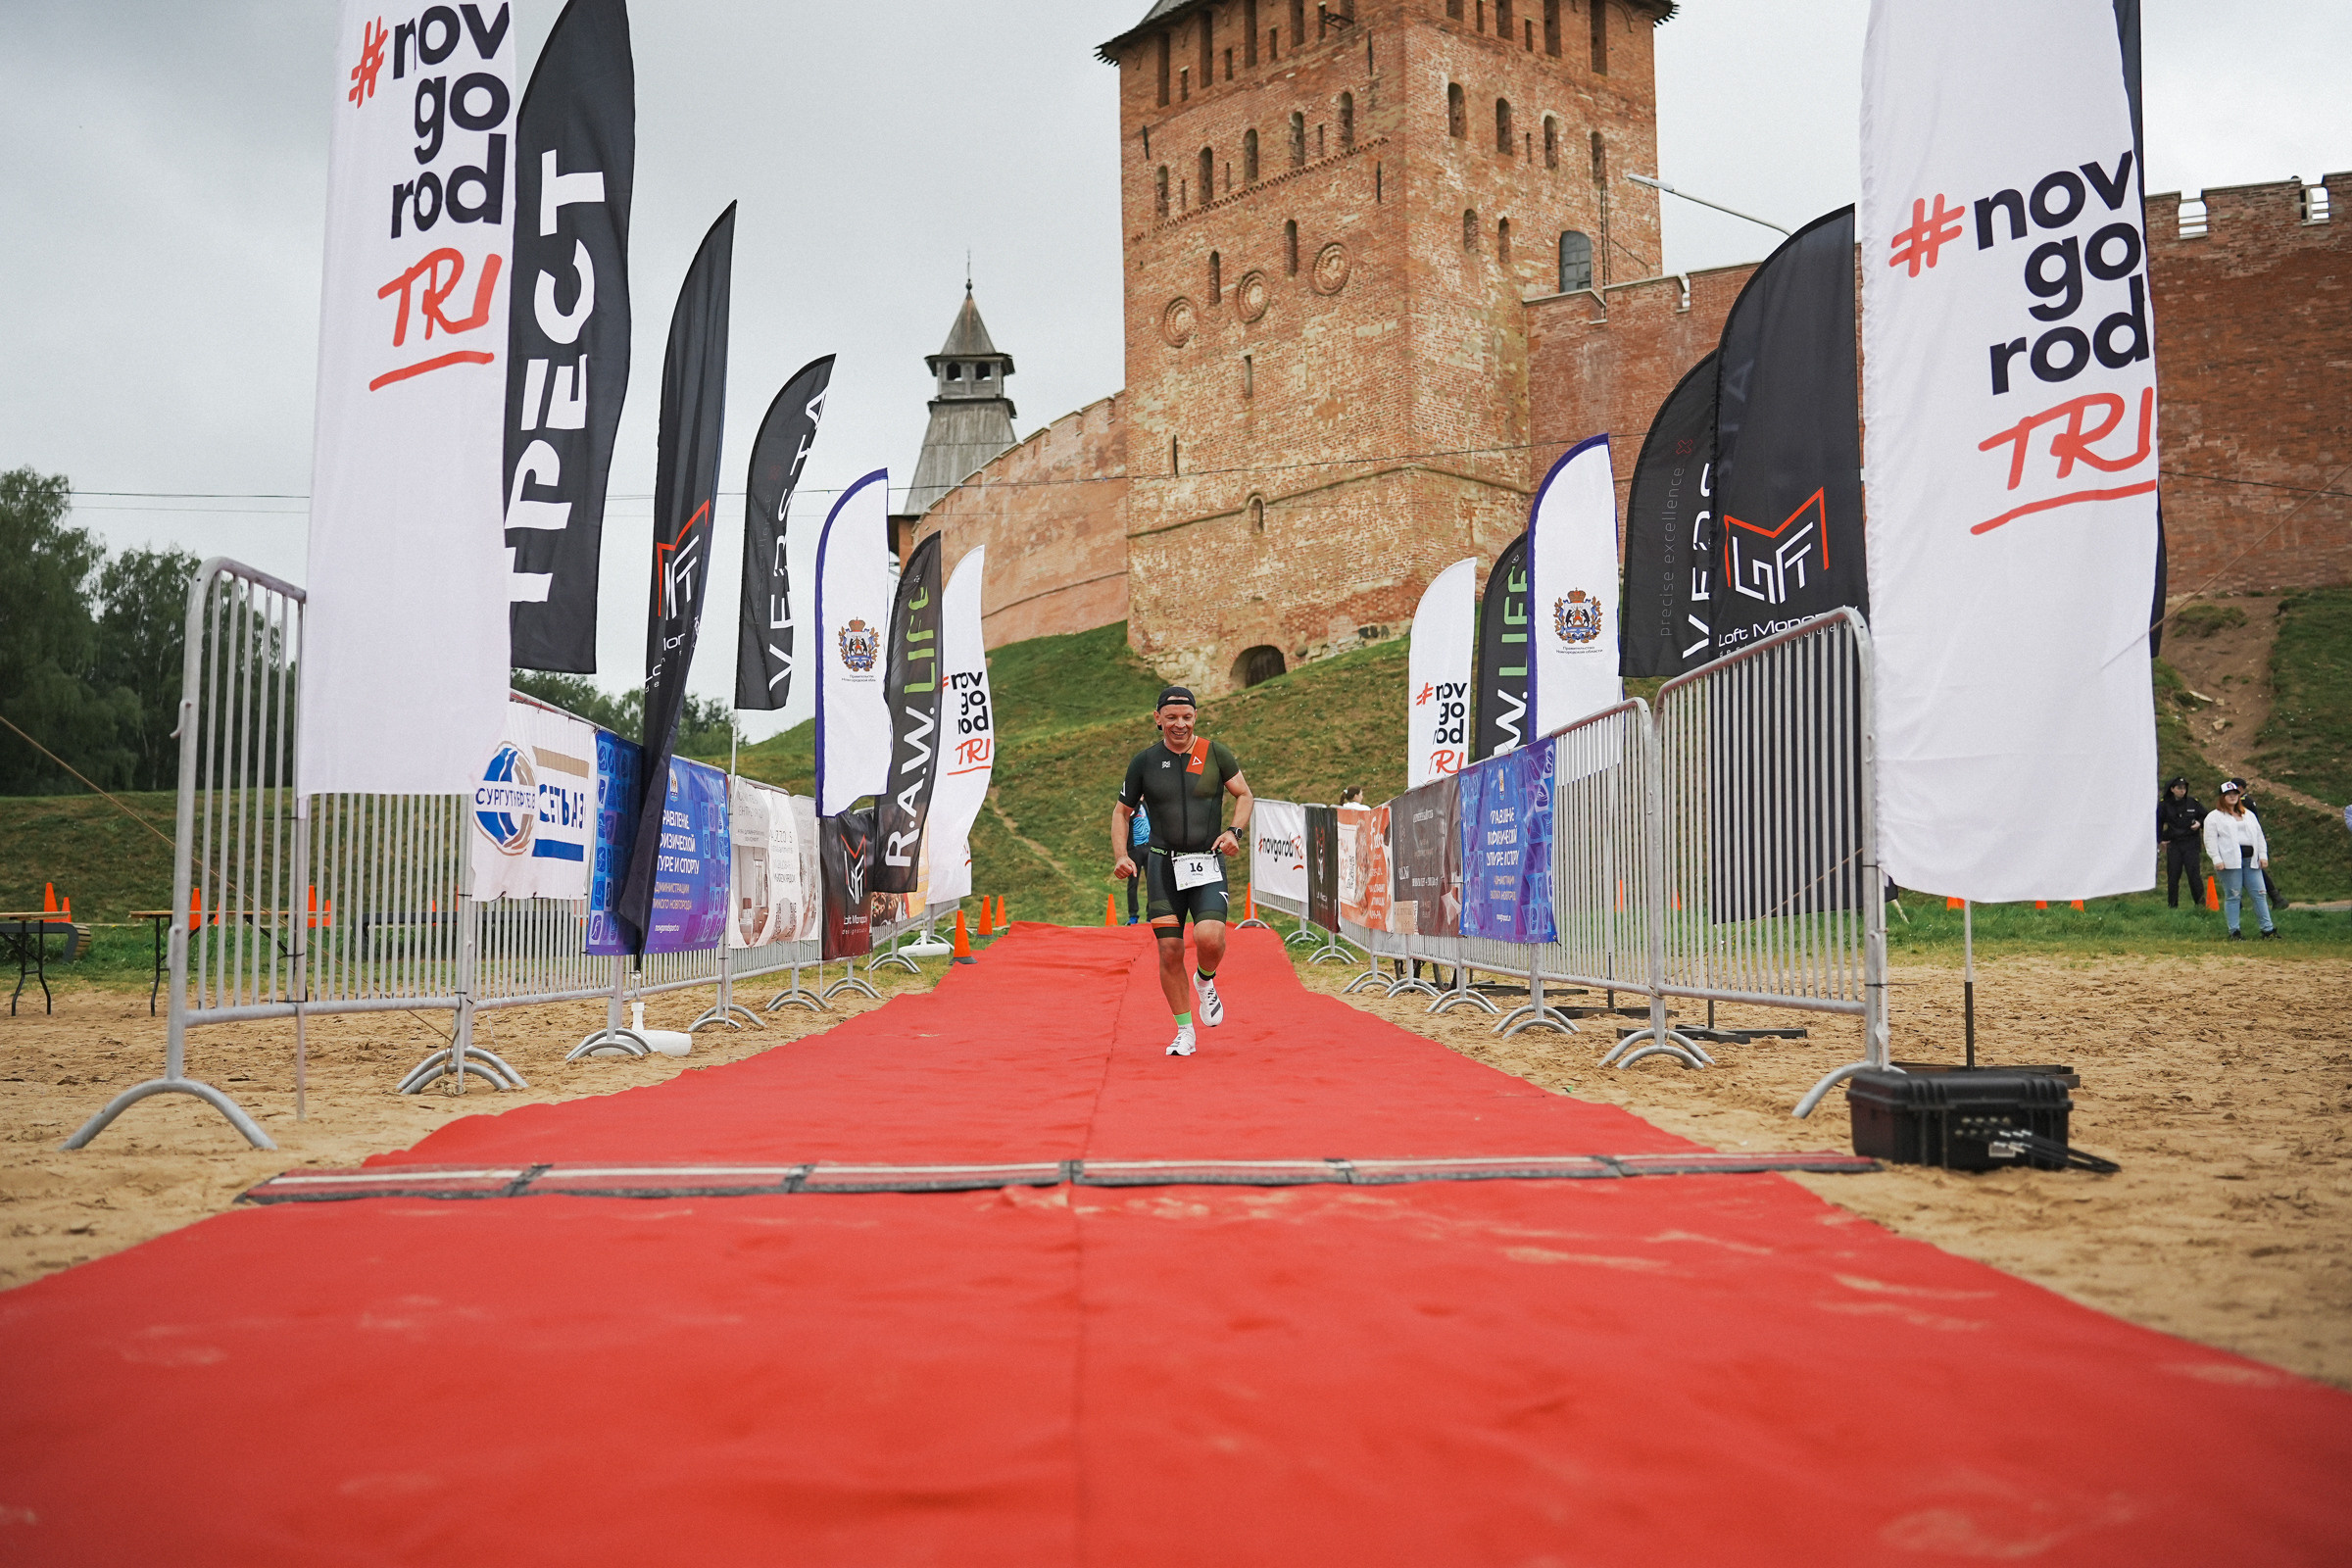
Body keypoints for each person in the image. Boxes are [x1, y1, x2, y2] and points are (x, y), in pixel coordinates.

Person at [1111, 686, 1253, 1057]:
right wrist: (1121, 855)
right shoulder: (1144, 762)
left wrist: (1234, 831)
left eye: (1187, 717)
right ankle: (1185, 1030)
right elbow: (1120, 812)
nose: (1180, 724)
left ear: (1195, 717)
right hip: (1161, 865)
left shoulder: (1214, 753)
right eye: (1171, 717)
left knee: (1209, 938)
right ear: (1157, 718)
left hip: (1206, 862)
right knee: (1171, 950)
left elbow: (1245, 794)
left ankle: (1205, 980)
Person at [2201, 778, 2276, 940]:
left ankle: (2268, 929)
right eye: (2228, 794)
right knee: (2234, 895)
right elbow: (2210, 841)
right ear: (2222, 797)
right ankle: (2234, 931)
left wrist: (2263, 855)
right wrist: (2216, 859)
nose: (2232, 797)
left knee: (2259, 893)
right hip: (2230, 861)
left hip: (2251, 860)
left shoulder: (2248, 814)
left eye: (2235, 793)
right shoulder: (2213, 817)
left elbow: (2259, 835)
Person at [2156, 776, 2206, 907]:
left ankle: (2200, 904)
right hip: (2174, 843)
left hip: (2191, 843)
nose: (2182, 791)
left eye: (2184, 788)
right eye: (2179, 788)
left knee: (2194, 875)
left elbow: (2206, 816)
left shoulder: (2192, 802)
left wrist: (2199, 823)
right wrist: (2160, 840)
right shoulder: (2164, 805)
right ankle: (2172, 905)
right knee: (2173, 876)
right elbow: (2158, 823)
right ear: (2172, 789)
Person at [1124, 800, 1152, 924]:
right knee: (1133, 882)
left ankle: (1151, 915)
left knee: (1152, 883)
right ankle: (1133, 915)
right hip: (1135, 849)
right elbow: (1125, 821)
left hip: (1148, 847)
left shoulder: (1146, 804)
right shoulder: (1130, 805)